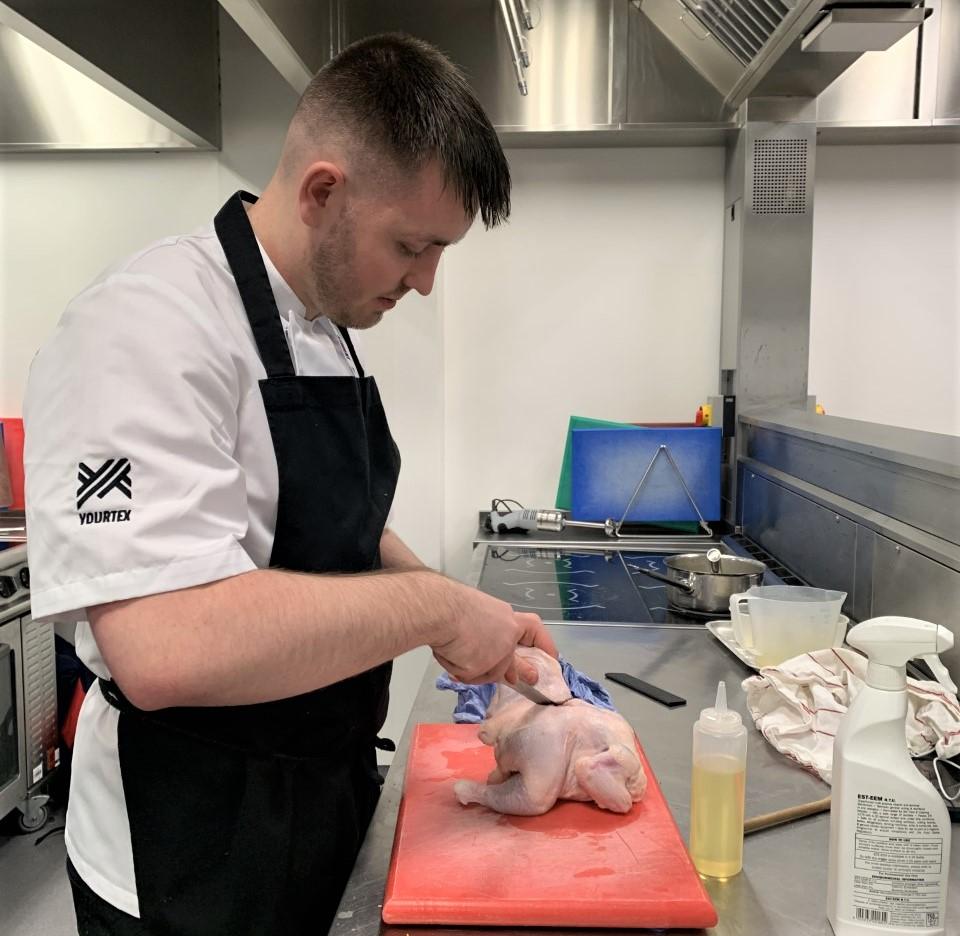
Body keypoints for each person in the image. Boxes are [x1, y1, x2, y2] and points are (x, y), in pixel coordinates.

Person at [23, 33, 556, 936]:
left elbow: (331, 527)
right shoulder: (145, 328)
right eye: (412, 246)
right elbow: (162, 647)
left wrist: (463, 614)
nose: (425, 283)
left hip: (319, 796)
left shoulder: (322, 324)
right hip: (187, 840)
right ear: (322, 193)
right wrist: (431, 611)